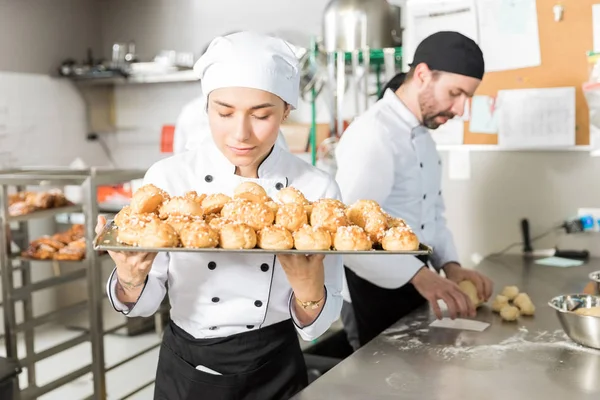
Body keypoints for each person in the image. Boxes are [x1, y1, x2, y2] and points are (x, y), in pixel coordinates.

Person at [97, 31, 344, 399]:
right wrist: (131, 279)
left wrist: (309, 294)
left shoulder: (314, 190)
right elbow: (143, 305)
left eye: (261, 115)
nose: (241, 133)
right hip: (188, 363)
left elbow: (316, 326)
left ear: (287, 110)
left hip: (275, 364)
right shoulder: (169, 179)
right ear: (206, 106)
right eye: (224, 112)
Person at [335, 31, 494, 350]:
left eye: (468, 97)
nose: (461, 109)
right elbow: (349, 235)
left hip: (415, 284)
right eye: (455, 93)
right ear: (422, 75)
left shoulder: (423, 135)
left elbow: (432, 213)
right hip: (372, 291)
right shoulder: (373, 134)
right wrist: (421, 276)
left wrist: (451, 265)